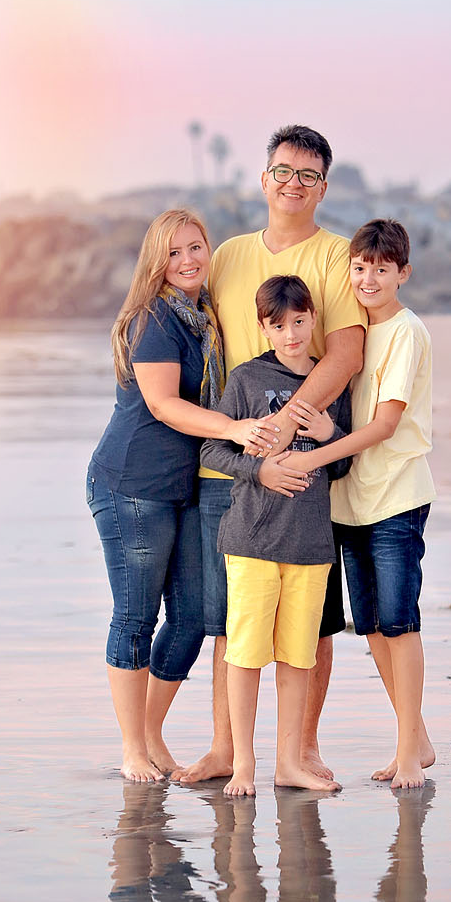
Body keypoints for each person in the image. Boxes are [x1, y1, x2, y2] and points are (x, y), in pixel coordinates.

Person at [176, 124, 367, 787]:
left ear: (322, 187)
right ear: (263, 179)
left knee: (308, 622)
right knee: (235, 619)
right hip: (232, 467)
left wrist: (287, 431)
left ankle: (299, 752)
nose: (292, 182)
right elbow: (193, 330)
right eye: (282, 170)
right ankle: (228, 750)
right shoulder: (227, 255)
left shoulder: (336, 256)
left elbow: (345, 353)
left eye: (307, 175)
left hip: (307, 471)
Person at [87, 208, 258, 782]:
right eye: (174, 251)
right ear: (155, 261)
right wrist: (234, 430)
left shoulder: (202, 317)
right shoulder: (154, 318)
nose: (187, 260)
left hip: (184, 486)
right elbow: (161, 404)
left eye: (196, 247)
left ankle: (151, 733)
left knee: (190, 619)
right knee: (136, 616)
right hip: (131, 484)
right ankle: (133, 749)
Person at [294, 218, 437, 789]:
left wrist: (314, 452)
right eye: (359, 267)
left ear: (402, 273)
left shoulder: (406, 332)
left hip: (397, 494)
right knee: (373, 626)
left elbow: (384, 424)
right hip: (349, 502)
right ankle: (416, 737)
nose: (368, 278)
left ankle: (407, 756)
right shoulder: (349, 333)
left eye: (381, 268)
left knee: (401, 624)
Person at [199, 276, 354, 797]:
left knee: (297, 658)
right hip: (252, 542)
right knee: (244, 656)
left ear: (314, 320)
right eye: (279, 325)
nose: (291, 335)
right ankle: (244, 763)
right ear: (263, 327)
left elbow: (345, 463)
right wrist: (258, 471)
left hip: (311, 546)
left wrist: (332, 435)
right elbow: (210, 451)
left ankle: (289, 762)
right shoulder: (246, 380)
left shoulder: (331, 385)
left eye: (300, 323)